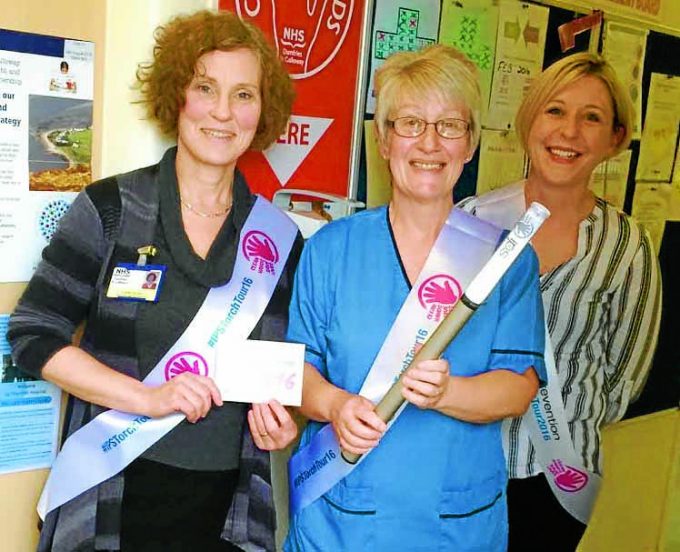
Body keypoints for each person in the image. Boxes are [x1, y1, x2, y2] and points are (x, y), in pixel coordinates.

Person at [10, 10, 302, 552]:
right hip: (110, 499)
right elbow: (33, 336)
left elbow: (287, 373)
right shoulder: (110, 209)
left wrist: (287, 427)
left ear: (263, 110)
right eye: (205, 87)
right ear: (177, 97)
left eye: (243, 94)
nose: (223, 112)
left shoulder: (280, 239)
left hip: (226, 513)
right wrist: (146, 398)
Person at [284, 44, 546, 551]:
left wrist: (449, 394)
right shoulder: (330, 250)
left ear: (469, 145)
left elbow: (519, 389)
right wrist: (336, 405)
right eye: (409, 123)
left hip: (456, 526)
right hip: (339, 523)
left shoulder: (506, 260)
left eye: (450, 125)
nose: (429, 142)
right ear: (382, 139)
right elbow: (298, 371)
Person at [459, 52, 662, 551]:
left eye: (591, 117)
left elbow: (624, 378)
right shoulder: (473, 221)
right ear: (530, 119)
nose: (568, 131)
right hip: (463, 464)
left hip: (558, 478)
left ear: (615, 138)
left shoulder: (628, 247)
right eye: (555, 110)